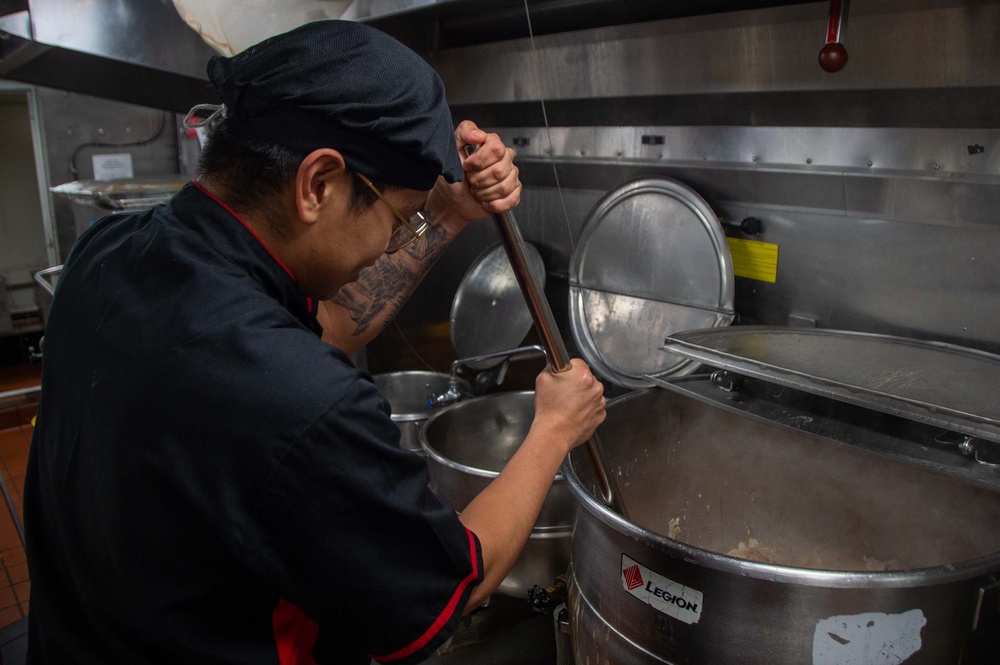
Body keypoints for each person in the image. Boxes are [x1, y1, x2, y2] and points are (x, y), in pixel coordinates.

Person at [23, 19, 606, 665]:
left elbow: (324, 328)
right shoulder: (300, 399)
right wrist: (554, 428)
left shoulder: (110, 252)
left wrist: (448, 210)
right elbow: (449, 588)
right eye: (399, 218)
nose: (393, 243)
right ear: (317, 183)